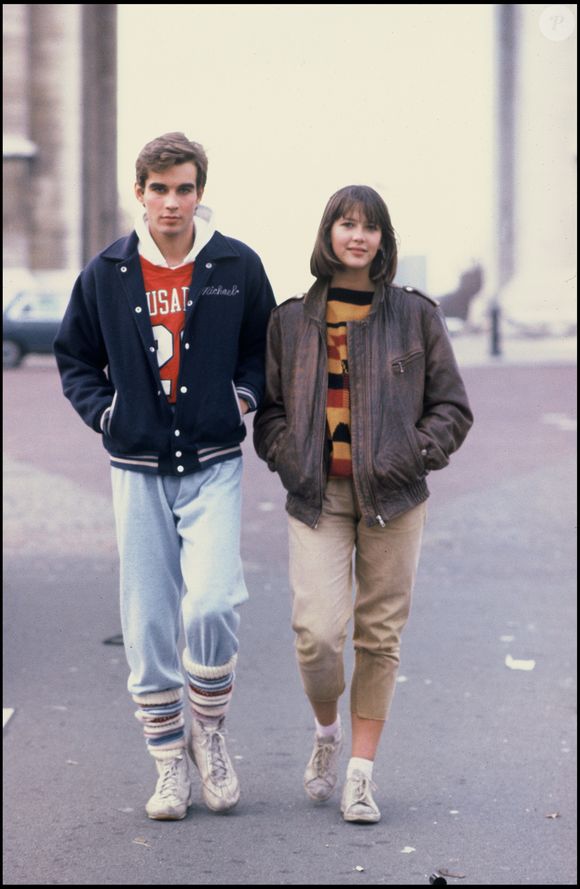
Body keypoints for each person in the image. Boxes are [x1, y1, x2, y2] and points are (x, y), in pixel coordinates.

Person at [54, 132, 276, 820]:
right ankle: (167, 760)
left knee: (210, 602)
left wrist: (240, 398)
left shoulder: (235, 264)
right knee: (148, 618)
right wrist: (106, 413)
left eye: (184, 187)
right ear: (139, 192)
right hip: (138, 465)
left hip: (211, 462)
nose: (172, 201)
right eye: (159, 188)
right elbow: (75, 358)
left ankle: (208, 732)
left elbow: (263, 348)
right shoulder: (107, 271)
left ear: (199, 191)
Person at [253, 185, 473, 823]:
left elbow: (452, 407)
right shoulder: (291, 320)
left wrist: (411, 454)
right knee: (317, 635)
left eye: (369, 227)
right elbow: (268, 411)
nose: (358, 236)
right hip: (317, 497)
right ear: (328, 234)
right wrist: (289, 455)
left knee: (379, 637)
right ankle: (327, 734)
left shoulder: (414, 316)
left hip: (395, 499)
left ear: (383, 239)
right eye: (346, 224)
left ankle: (360, 773)